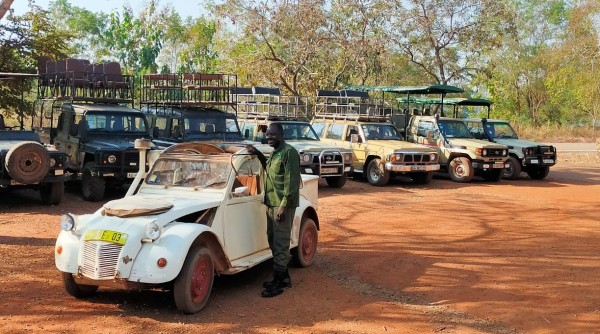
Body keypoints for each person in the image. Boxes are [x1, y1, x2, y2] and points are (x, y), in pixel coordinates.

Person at [246, 123, 301, 298]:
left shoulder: (288, 152)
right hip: (271, 203)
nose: (269, 137)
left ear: (281, 135)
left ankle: (278, 283)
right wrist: (258, 154)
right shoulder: (275, 152)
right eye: (267, 135)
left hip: (282, 205)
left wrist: (283, 205)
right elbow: (270, 172)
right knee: (272, 239)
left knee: (281, 243)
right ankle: (284, 278)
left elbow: (291, 182)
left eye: (272, 135)